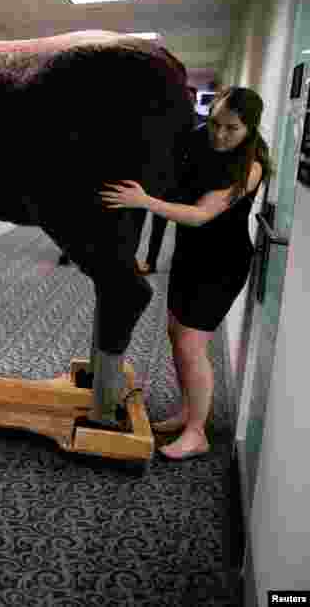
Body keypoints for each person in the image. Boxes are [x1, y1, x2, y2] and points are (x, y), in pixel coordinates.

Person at [101, 86, 271, 460]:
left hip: (222, 263)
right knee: (177, 335)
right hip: (190, 255)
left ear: (250, 128)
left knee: (192, 345)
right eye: (215, 124)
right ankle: (188, 412)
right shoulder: (199, 139)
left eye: (232, 128)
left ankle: (197, 433)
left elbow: (201, 214)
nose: (220, 135)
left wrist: (144, 201)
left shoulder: (251, 165)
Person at [134, 86, 203, 276]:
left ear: (195, 101)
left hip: (183, 185)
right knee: (145, 225)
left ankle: (163, 264)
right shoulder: (166, 121)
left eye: (190, 99)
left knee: (178, 229)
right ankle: (141, 262)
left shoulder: (200, 125)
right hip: (157, 182)